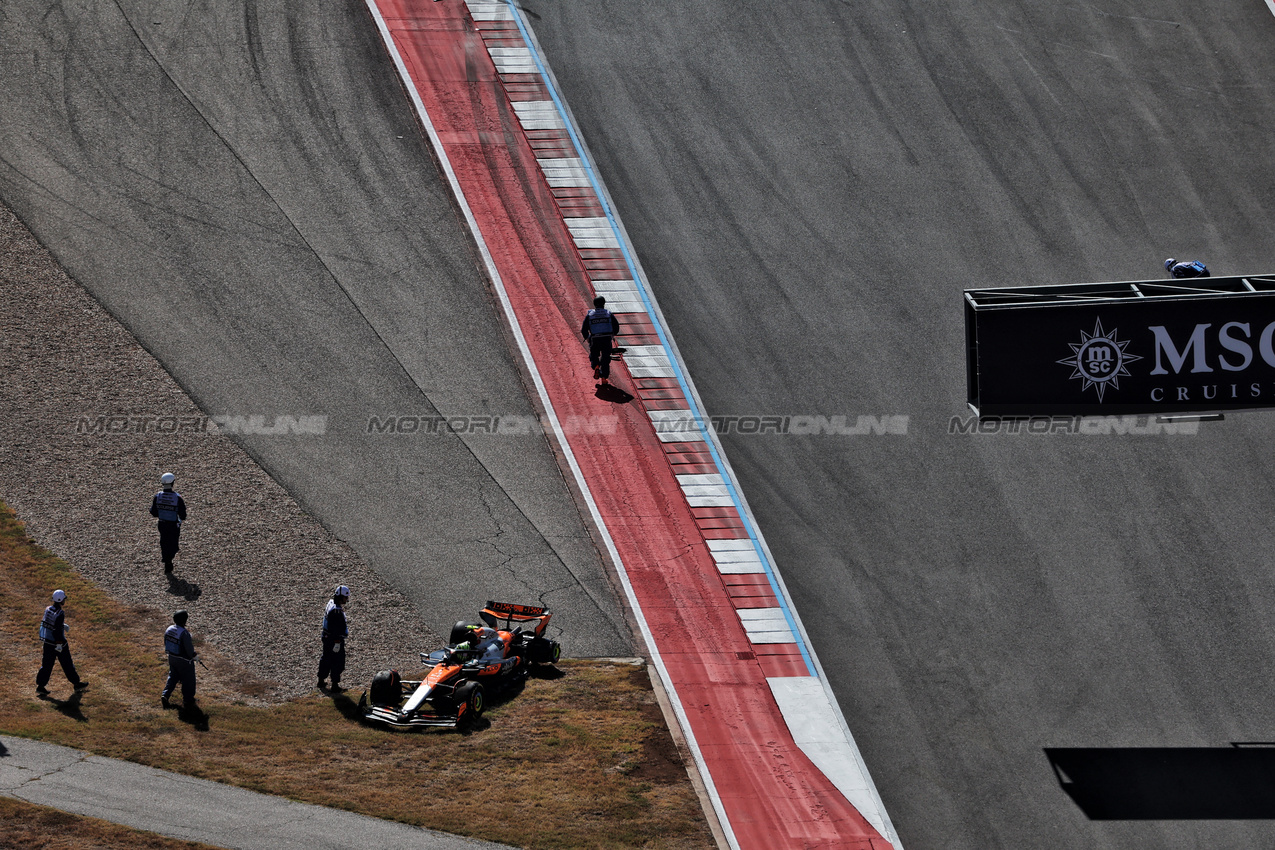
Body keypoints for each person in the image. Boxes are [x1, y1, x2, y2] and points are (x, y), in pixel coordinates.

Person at [36, 590, 88, 696]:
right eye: (64, 599)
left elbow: (49, 623)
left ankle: (40, 686)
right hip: (58, 644)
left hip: (47, 643)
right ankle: (76, 684)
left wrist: (62, 625)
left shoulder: (48, 609)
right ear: (60, 600)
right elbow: (57, 631)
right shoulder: (60, 613)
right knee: (67, 664)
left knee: (46, 665)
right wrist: (59, 644)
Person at [149, 472, 187, 574]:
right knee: (173, 543)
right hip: (173, 525)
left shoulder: (157, 496)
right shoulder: (177, 497)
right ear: (173, 483)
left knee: (164, 541)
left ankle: (166, 558)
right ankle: (169, 558)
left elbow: (153, 512)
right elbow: (183, 514)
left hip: (162, 524)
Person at [161, 610, 197, 709]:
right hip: (184, 661)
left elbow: (165, 642)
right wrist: (193, 656)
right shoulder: (184, 633)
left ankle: (165, 695)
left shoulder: (169, 629)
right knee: (188, 680)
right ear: (184, 620)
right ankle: (188, 699)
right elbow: (189, 649)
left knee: (172, 677)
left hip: (172, 658)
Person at [581, 295, 621, 385]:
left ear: (594, 304)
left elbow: (584, 329)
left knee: (594, 355)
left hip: (595, 338)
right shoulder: (608, 313)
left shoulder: (590, 315)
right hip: (606, 339)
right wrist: (612, 335)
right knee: (606, 358)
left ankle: (596, 366)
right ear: (604, 303)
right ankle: (604, 378)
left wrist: (588, 338)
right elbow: (616, 326)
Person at [317, 585, 350, 692]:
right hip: (334, 640)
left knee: (326, 659)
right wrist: (337, 642)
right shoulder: (336, 611)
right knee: (337, 661)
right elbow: (336, 629)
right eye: (345, 597)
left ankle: (321, 680)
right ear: (341, 597)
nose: (346, 600)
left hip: (326, 637)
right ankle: (335, 685)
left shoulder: (331, 603)